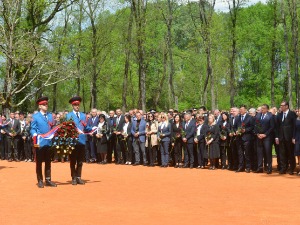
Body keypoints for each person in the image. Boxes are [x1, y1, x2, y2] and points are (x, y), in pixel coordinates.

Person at [30, 96, 57, 188]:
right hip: (39, 142)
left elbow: (53, 127)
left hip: (49, 142)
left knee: (48, 162)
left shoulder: (50, 116)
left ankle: (48, 180)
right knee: (39, 162)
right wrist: (35, 135)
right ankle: (40, 180)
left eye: (46, 104)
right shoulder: (35, 116)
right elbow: (32, 129)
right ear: (39, 106)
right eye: (43, 104)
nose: (46, 105)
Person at [66, 96, 92, 185]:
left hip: (82, 140)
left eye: (78, 105)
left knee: (80, 160)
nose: (77, 106)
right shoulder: (68, 115)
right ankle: (73, 177)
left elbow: (86, 127)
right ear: (72, 106)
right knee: (73, 160)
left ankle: (79, 177)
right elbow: (66, 128)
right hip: (73, 141)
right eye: (75, 105)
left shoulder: (83, 115)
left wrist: (93, 129)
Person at [275, 101, 297, 175]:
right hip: (281, 137)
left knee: (290, 153)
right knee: (282, 153)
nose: (281, 107)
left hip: (289, 137)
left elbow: (295, 126)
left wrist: (294, 137)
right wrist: (277, 137)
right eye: (280, 105)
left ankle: (292, 168)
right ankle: (283, 168)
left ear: (287, 106)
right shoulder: (279, 115)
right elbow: (277, 127)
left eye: (282, 105)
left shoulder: (292, 114)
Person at [254, 104, 275, 174]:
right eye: (261, 108)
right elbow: (256, 125)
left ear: (267, 109)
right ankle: (260, 167)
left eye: (263, 108)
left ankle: (269, 168)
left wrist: (265, 134)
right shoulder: (258, 115)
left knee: (268, 153)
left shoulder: (270, 116)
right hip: (259, 137)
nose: (262, 109)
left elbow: (272, 127)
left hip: (267, 137)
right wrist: (257, 134)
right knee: (259, 153)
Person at [234, 105, 254, 173]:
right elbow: (234, 127)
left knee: (247, 153)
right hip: (239, 138)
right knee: (240, 153)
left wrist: (245, 130)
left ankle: (248, 167)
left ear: (245, 110)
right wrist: (236, 131)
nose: (241, 111)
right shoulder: (237, 118)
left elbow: (252, 127)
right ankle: (241, 166)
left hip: (247, 138)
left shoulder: (250, 117)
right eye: (240, 109)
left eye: (242, 109)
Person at [292, 109, 300, 176]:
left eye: (299, 111)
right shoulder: (296, 120)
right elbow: (294, 129)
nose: (298, 112)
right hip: (297, 138)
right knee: (298, 154)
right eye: (298, 111)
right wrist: (293, 138)